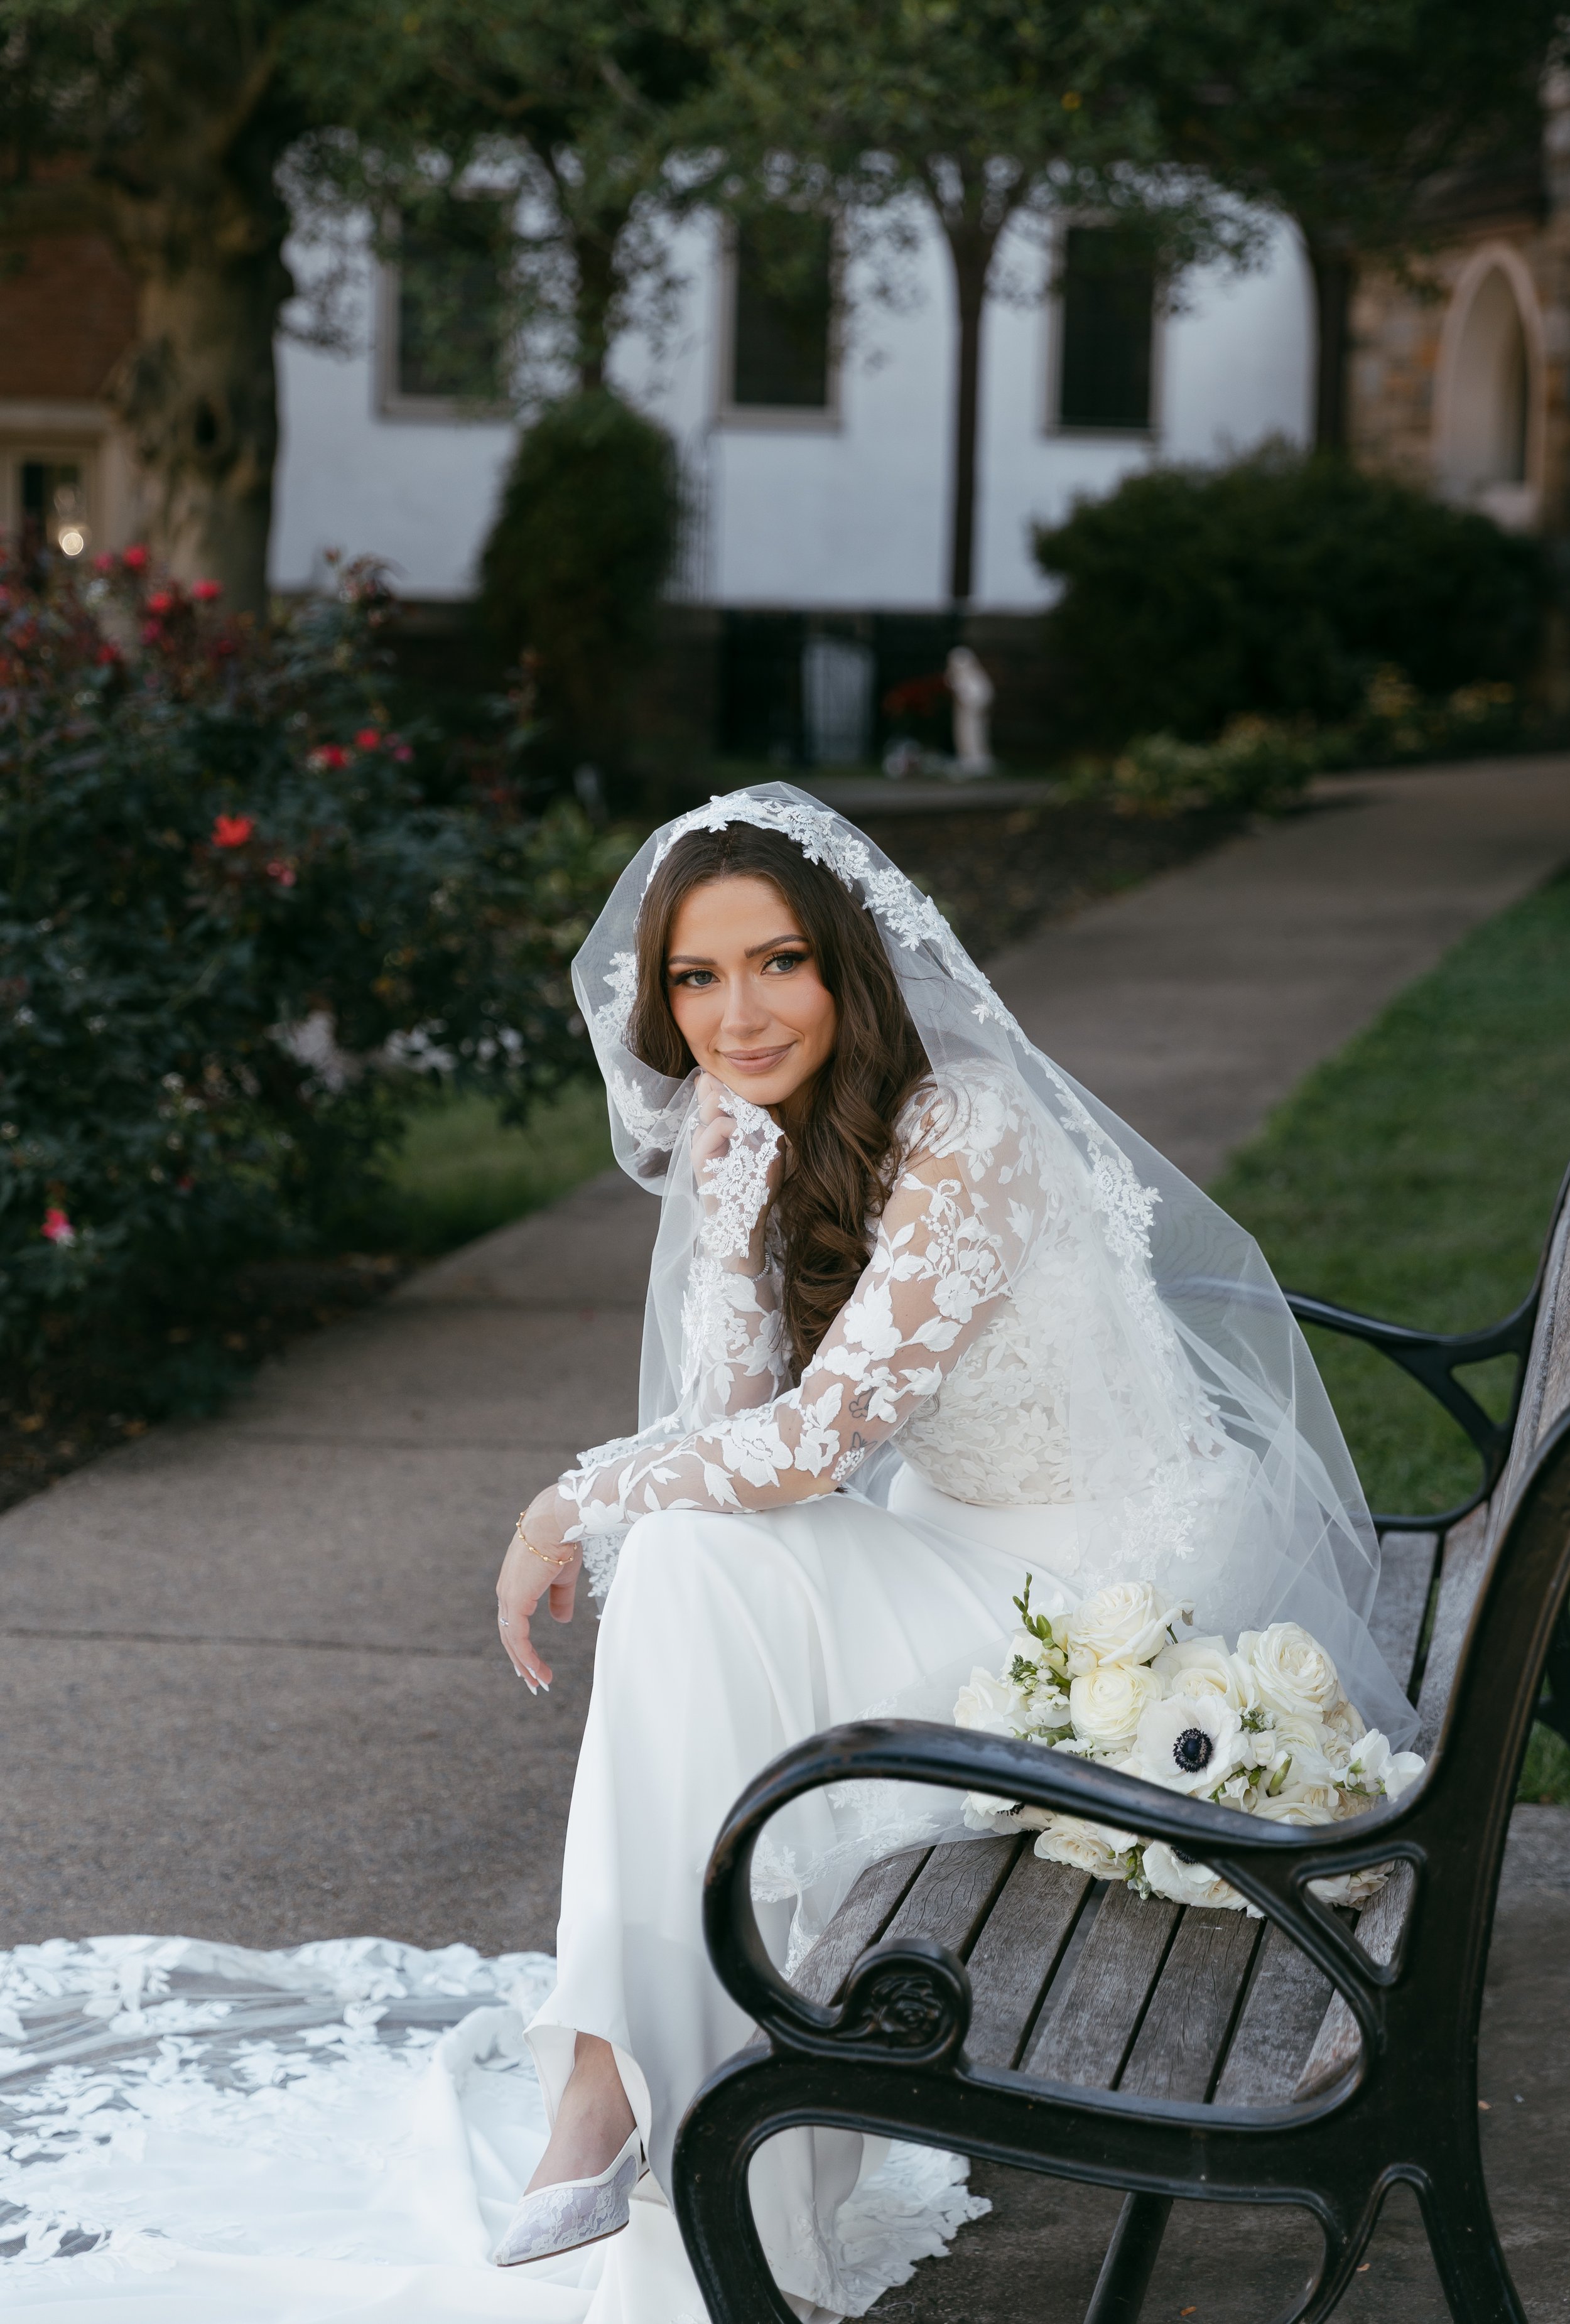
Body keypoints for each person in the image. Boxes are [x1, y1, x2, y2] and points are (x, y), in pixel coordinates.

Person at [485, 782, 1417, 2315]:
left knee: (685, 1574)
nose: (739, 1013)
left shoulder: (963, 1128)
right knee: (689, 1576)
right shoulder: (777, 1125)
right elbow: (724, 1423)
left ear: (848, 962)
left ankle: (622, 2100)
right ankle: (625, 2098)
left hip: (1098, 1592)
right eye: (696, 980)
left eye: (776, 963)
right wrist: (726, 1202)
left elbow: (812, 1446)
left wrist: (565, 1504)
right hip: (955, 1550)